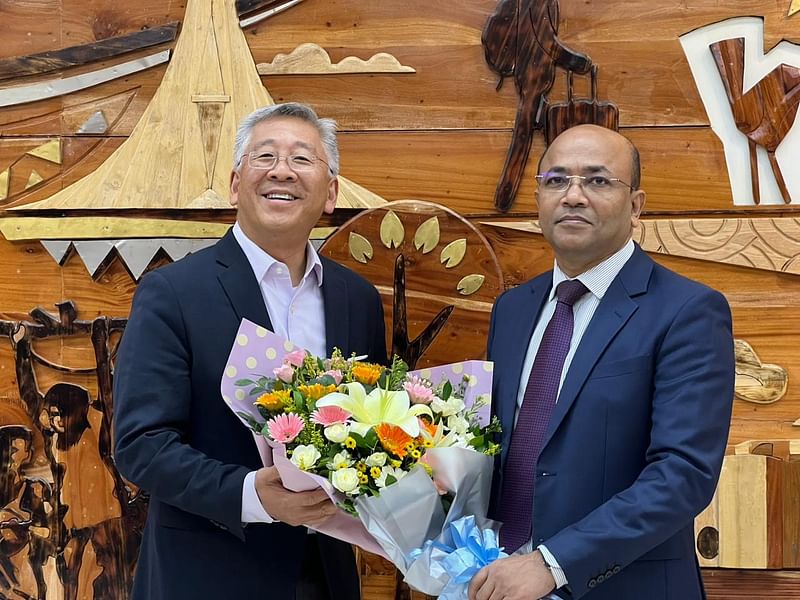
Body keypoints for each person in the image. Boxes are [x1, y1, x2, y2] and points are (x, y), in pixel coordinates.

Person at [113, 102, 387, 600]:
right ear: (237, 184)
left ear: (330, 194)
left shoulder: (358, 300)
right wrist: (251, 496)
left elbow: (375, 430)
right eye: (265, 156)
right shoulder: (173, 292)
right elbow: (141, 444)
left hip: (326, 575)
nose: (282, 170)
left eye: (303, 158)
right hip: (206, 573)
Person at [469, 124, 734, 600]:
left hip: (626, 586)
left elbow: (683, 474)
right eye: (555, 180)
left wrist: (553, 563)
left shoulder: (687, 311)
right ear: (538, 199)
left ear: (636, 206)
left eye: (597, 180)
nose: (573, 196)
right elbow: (497, 449)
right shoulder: (512, 310)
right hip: (500, 584)